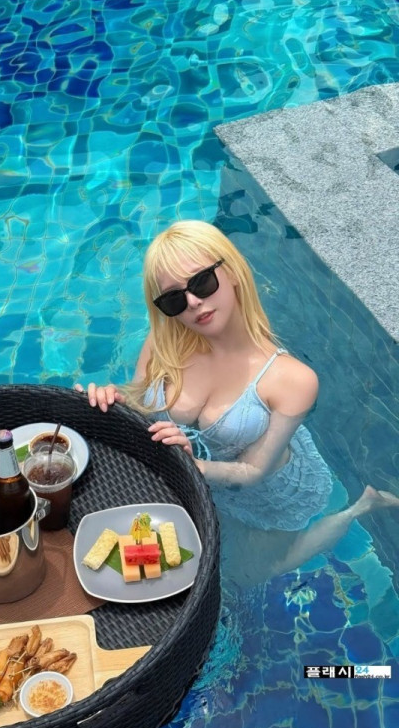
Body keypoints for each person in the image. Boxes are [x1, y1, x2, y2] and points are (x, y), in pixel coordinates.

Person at [75, 220, 398, 586]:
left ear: (230, 271)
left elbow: (253, 471)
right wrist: (113, 400)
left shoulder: (293, 379)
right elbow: (140, 403)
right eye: (174, 299)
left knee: (255, 573)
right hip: (201, 472)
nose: (193, 302)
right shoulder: (163, 342)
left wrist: (194, 465)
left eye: (202, 282)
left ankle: (360, 507)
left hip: (267, 489)